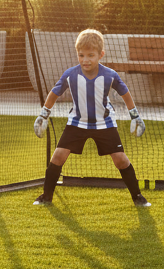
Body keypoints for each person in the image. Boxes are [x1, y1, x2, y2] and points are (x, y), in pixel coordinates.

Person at [31, 28, 149, 207]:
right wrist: (43, 114)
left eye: (90, 55)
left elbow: (125, 93)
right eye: (81, 55)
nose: (85, 60)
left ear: (101, 55)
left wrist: (135, 116)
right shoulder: (70, 75)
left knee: (120, 159)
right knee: (58, 156)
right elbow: (54, 93)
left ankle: (138, 197)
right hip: (77, 123)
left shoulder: (110, 75)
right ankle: (46, 197)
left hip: (105, 124)